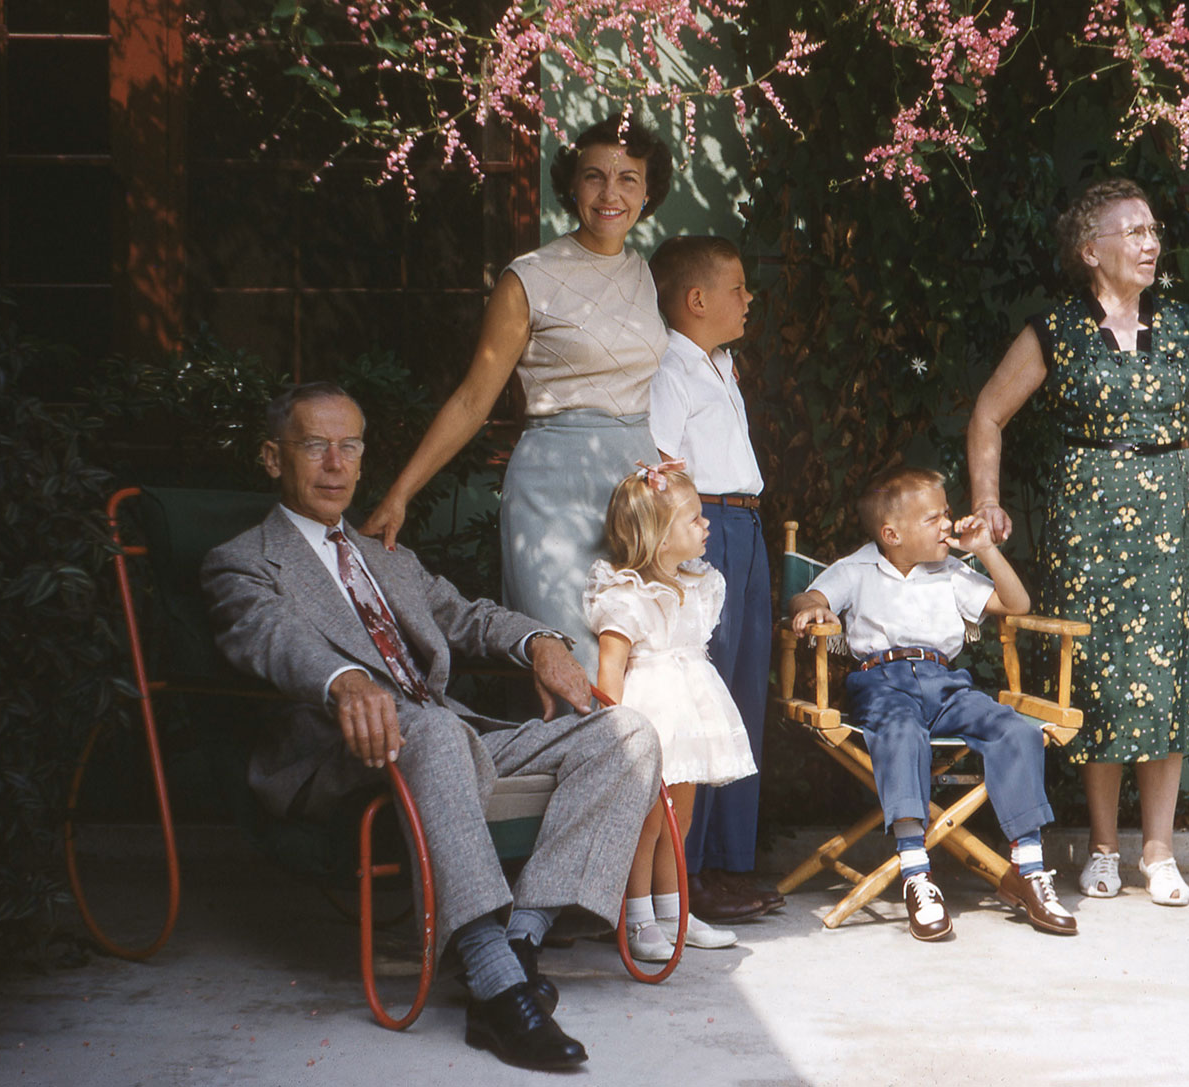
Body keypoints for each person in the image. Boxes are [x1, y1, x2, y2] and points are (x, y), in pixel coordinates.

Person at [200, 383, 662, 1071]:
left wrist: (538, 641)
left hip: (447, 737)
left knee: (629, 735)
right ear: (273, 458)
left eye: (349, 446)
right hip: (343, 751)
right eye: (314, 445)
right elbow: (271, 638)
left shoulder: (385, 554)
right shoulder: (243, 560)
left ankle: (520, 943)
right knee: (436, 730)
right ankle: (499, 990)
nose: (335, 463)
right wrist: (343, 679)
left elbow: (468, 616)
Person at [966, 178, 1189, 907]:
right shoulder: (1056, 328)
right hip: (1086, 534)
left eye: (1153, 231)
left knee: (1165, 683)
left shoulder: (1186, 325)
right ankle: (1105, 847)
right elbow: (988, 413)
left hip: (1171, 530)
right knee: (1097, 680)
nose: (1150, 243)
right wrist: (987, 500)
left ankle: (1160, 852)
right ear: (1091, 250)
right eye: (1133, 232)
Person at [361, 114, 674, 673]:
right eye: (594, 176)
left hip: (633, 493)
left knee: (639, 665)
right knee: (571, 661)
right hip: (552, 491)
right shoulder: (528, 278)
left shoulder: (644, 274)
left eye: (628, 179)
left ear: (648, 193)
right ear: (571, 185)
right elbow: (472, 400)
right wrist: (400, 494)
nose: (610, 194)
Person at [787, 466, 1077, 942]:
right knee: (902, 734)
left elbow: (1017, 604)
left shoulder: (952, 572)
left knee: (1016, 730)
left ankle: (1028, 871)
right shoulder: (857, 569)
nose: (947, 524)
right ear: (892, 534)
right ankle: (916, 874)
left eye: (946, 514)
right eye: (934, 518)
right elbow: (809, 594)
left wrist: (985, 549)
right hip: (882, 684)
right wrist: (811, 608)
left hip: (946, 685)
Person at [646, 235, 782, 924]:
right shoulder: (670, 368)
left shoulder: (721, 363)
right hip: (707, 528)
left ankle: (730, 862)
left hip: (746, 525)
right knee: (705, 693)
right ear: (697, 300)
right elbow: (660, 465)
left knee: (742, 692)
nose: (748, 299)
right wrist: (685, 544)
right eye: (737, 288)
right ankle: (686, 871)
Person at [584, 463, 758, 962]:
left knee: (680, 819)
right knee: (647, 822)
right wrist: (614, 734)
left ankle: (673, 911)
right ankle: (637, 917)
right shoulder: (626, 596)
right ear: (661, 539)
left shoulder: (699, 584)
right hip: (650, 717)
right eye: (695, 519)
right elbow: (611, 670)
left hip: (691, 717)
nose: (706, 525)